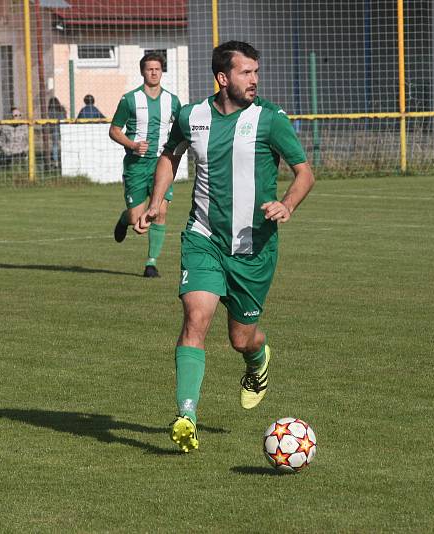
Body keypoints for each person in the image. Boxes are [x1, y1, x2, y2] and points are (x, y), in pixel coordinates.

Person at [136, 41, 315, 452]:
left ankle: (257, 360)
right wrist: (156, 200)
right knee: (195, 319)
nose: (254, 80)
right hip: (203, 238)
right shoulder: (191, 116)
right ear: (222, 78)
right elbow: (170, 155)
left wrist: (286, 205)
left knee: (241, 338)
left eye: (256, 72)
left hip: (254, 248)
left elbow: (304, 172)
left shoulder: (270, 120)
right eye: (245, 73)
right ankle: (187, 414)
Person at [109, 53, 182, 278]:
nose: (153, 72)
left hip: (162, 163)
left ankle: (151, 263)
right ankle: (124, 220)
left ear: (162, 71)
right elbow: (114, 130)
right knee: (135, 218)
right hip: (136, 165)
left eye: (157, 69)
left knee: (160, 211)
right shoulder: (129, 100)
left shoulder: (172, 101)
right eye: (149, 69)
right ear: (142, 71)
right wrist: (132, 144)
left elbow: (180, 131)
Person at [47, 97, 66, 168]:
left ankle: (56, 162)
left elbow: (50, 120)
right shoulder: (62, 109)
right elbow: (64, 118)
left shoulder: (50, 111)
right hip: (63, 129)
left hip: (54, 129)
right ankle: (63, 160)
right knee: (62, 145)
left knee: (55, 145)